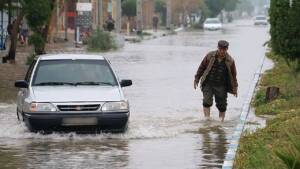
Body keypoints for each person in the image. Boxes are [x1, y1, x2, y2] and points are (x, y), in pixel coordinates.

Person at [194, 40, 238, 122]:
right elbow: (202, 67)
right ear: (218, 48)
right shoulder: (210, 55)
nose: (222, 51)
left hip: (221, 85)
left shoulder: (230, 60)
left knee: (222, 106)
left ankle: (221, 123)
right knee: (207, 101)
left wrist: (235, 88)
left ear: (227, 49)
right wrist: (196, 78)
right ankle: (207, 120)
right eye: (220, 49)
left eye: (224, 49)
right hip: (208, 83)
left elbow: (233, 75)